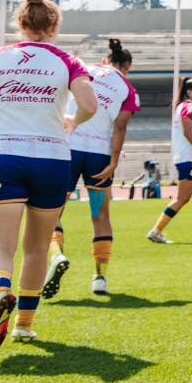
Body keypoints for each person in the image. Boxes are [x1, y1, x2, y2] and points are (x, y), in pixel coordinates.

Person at [0, 0, 97, 350]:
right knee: (36, 248)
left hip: (3, 156)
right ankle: (24, 325)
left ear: (20, 23)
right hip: (51, 159)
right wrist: (72, 120)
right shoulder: (67, 61)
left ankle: (0, 290)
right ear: (54, 26)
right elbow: (90, 105)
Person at [45, 38, 140, 299]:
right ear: (128, 66)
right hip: (99, 155)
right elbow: (120, 127)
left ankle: (56, 255)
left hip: (68, 147)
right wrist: (114, 160)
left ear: (106, 60)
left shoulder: (83, 69)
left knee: (52, 211)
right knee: (100, 215)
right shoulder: (127, 88)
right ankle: (100, 277)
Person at [147, 76, 192, 244]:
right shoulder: (189, 107)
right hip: (189, 159)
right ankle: (156, 231)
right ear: (189, 92)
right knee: (182, 198)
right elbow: (187, 132)